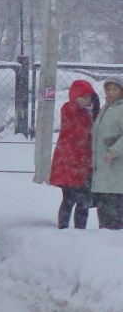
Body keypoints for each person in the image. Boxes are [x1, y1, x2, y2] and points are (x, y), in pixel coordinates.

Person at [48, 79, 99, 229]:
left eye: (88, 96)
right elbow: (70, 109)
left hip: (84, 163)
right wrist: (77, 102)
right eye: (82, 95)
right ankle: (63, 228)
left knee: (83, 201)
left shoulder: (92, 112)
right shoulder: (69, 109)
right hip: (70, 163)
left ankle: (80, 229)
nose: (86, 99)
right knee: (68, 199)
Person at [91, 78, 123, 230]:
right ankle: (104, 234)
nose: (110, 93)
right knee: (104, 205)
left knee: (115, 205)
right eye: (108, 89)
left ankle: (114, 235)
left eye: (114, 89)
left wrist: (114, 151)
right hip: (103, 167)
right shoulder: (106, 108)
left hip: (117, 166)